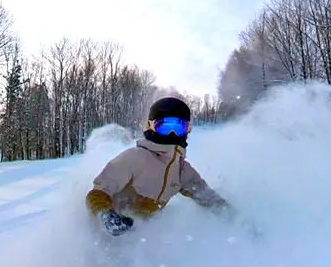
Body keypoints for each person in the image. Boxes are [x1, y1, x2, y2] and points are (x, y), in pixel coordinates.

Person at [85, 96, 233, 236]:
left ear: (188, 130)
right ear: (150, 127)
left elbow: (209, 198)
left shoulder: (182, 171)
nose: (172, 133)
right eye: (164, 127)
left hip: (138, 238)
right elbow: (97, 193)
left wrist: (236, 219)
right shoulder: (134, 158)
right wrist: (105, 216)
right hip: (105, 234)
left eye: (179, 127)